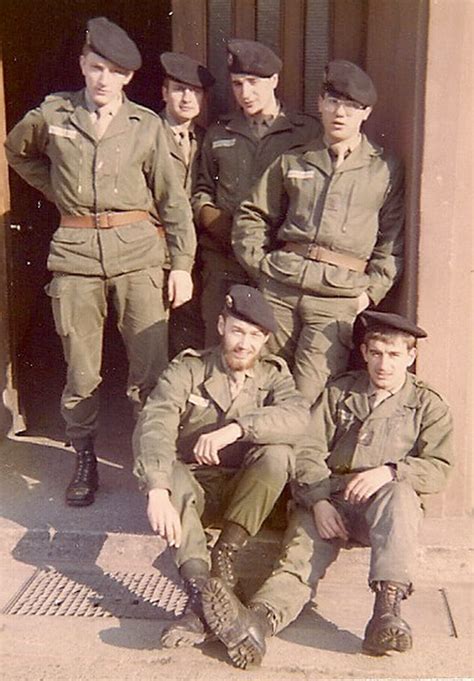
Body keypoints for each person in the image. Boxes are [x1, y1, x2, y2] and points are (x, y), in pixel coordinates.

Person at [4, 17, 196, 507]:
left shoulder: (147, 126)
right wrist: (60, 193)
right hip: (75, 256)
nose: (103, 79)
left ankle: (152, 462)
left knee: (148, 367)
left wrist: (181, 265)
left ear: (128, 78)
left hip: (138, 255)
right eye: (95, 67)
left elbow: (172, 200)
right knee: (81, 369)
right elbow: (17, 152)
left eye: (113, 71)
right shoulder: (54, 114)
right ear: (82, 66)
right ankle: (84, 457)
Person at [200, 311, 453, 669]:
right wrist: (318, 500)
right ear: (364, 351)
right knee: (298, 560)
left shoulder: (428, 405)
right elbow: (307, 449)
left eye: (395, 355)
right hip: (329, 499)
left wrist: (391, 471)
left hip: (381, 512)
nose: (384, 364)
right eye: (377, 353)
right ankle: (256, 622)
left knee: (400, 497)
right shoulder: (339, 392)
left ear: (410, 357)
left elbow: (439, 468)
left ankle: (386, 613)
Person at [132, 284, 309, 649]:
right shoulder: (188, 369)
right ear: (221, 326)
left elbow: (296, 417)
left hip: (246, 497)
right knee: (172, 471)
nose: (245, 343)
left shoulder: (274, 375)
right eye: (238, 331)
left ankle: (225, 555)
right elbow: (155, 423)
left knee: (277, 455)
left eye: (255, 336)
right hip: (194, 490)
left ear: (265, 341)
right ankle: (200, 592)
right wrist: (156, 489)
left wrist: (238, 429)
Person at [233, 60, 405, 404]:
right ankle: (261, 458)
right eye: (333, 102)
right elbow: (252, 214)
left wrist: (368, 294)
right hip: (281, 286)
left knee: (311, 394)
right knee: (262, 380)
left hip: (337, 297)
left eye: (352, 106)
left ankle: (299, 458)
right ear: (320, 104)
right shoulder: (294, 159)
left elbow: (391, 240)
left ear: (366, 113)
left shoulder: (383, 168)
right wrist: (262, 269)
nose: (340, 113)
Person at [192, 38, 320, 346]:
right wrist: (216, 223)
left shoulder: (305, 133)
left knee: (272, 346)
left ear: (274, 81)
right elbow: (201, 189)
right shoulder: (220, 132)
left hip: (279, 259)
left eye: (253, 83)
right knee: (221, 342)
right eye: (237, 84)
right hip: (224, 259)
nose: (245, 93)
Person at [159, 52, 215, 356]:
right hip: (150, 248)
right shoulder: (144, 133)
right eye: (179, 89)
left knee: (187, 331)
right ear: (164, 93)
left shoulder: (206, 140)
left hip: (193, 251)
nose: (187, 98)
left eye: (195, 92)